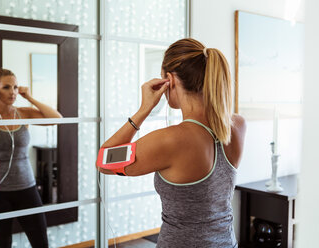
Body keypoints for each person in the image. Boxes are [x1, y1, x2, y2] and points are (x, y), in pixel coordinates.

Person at [97, 38, 246, 247]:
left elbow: (104, 161)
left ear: (169, 80)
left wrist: (143, 110)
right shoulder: (237, 125)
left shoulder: (171, 140)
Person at [0, 68, 62, 248]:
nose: (13, 92)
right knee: (2, 243)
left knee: (40, 241)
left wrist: (30, 98)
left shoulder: (22, 113)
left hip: (26, 187)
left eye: (16, 87)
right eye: (6, 87)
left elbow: (56, 118)